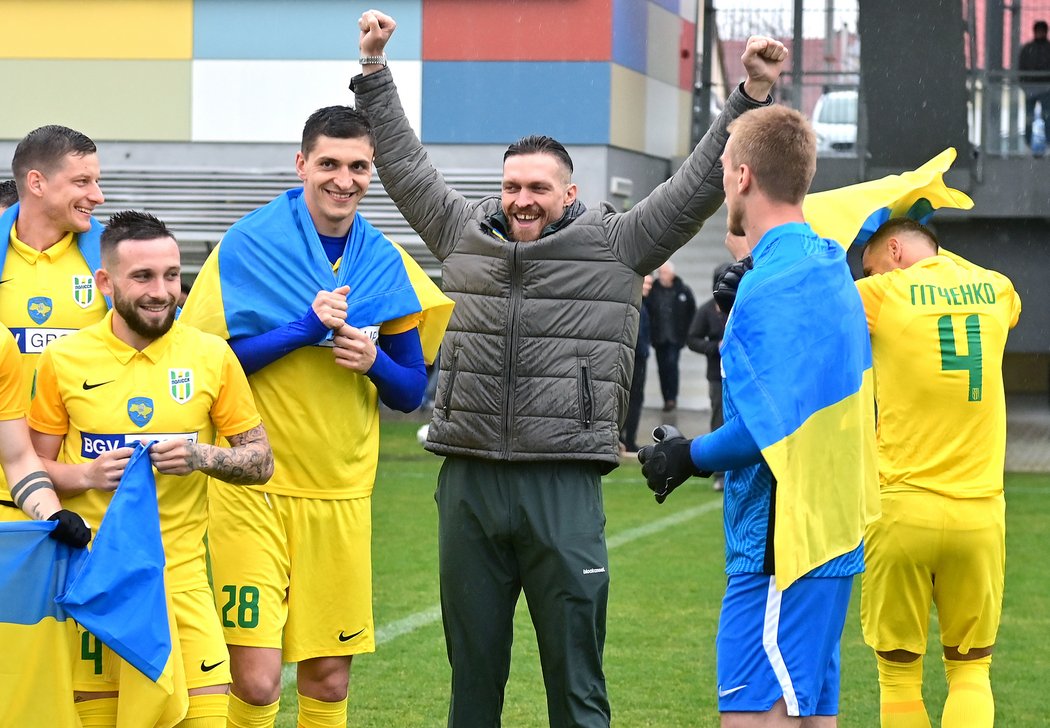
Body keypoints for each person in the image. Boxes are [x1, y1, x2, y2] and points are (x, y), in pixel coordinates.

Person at [352, 10, 786, 727]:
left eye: (539, 188)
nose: (522, 199)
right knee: (472, 689)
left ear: (570, 194)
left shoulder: (620, 245)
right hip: (467, 485)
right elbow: (400, 163)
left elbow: (698, 186)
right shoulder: (462, 235)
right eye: (512, 185)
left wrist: (749, 93)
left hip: (565, 483)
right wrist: (373, 70)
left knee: (578, 690)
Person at [179, 106, 452, 728]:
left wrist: (374, 361)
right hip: (254, 488)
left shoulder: (384, 261)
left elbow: (411, 392)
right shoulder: (247, 245)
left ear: (372, 172)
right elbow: (207, 367)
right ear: (302, 164)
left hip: (341, 493)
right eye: (329, 164)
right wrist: (302, 331)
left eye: (358, 167)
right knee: (254, 677)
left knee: (327, 682)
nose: (343, 179)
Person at [638, 104, 878, 726]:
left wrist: (685, 456)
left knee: (751, 717)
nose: (721, 184)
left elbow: (765, 430)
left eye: (722, 169)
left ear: (742, 176)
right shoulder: (828, 262)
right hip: (830, 529)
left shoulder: (772, 286)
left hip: (782, 542)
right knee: (810, 714)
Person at [28, 210, 274, 727]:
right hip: (98, 585)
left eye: (170, 275)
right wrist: (87, 476)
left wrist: (202, 457)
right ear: (105, 282)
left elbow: (261, 460)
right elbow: (29, 469)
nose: (162, 291)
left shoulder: (212, 357)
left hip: (182, 584)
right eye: (142, 276)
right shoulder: (64, 361)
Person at [857, 218, 1020, 728]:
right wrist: (942, 260)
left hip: (903, 509)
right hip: (979, 515)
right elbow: (1005, 299)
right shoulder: (995, 288)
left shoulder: (881, 295)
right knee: (972, 672)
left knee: (899, 679)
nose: (866, 273)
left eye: (871, 262)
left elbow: (805, 310)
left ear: (896, 249)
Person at [0, 125, 109, 520]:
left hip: (85, 497)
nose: (97, 195)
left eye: (96, 181)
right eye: (82, 181)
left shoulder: (113, 259)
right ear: (37, 183)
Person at [685, 262, 732, 491]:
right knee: (719, 419)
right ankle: (721, 473)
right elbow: (692, 339)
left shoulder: (740, 307)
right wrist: (715, 346)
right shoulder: (705, 311)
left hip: (740, 374)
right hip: (717, 376)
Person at [646, 261, 696, 412]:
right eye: (660, 273)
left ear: (672, 274)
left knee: (672, 365)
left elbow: (692, 312)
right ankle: (666, 397)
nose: (662, 276)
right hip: (659, 337)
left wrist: (687, 334)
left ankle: (672, 398)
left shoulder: (683, 290)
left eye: (665, 273)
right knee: (662, 368)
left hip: (675, 337)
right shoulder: (653, 290)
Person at [621, 274, 652, 454]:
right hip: (634, 358)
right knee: (631, 399)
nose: (649, 287)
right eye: (646, 284)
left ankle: (628, 438)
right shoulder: (634, 305)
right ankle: (625, 438)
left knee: (634, 399)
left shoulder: (643, 305)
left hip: (639, 357)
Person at [1019, 20, 1050, 151]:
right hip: (1031, 88)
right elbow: (1021, 68)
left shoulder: (1030, 49)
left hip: (1045, 88)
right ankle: (1028, 144)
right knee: (1029, 118)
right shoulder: (1028, 49)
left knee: (1047, 117)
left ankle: (1047, 143)